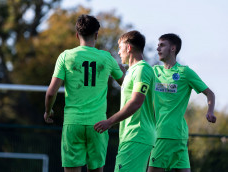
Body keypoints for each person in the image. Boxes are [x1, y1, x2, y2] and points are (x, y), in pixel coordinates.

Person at [44, 14, 124, 172]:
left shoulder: (66, 56)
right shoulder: (106, 58)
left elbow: (51, 93)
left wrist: (48, 111)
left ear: (76, 35)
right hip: (98, 124)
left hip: (73, 123)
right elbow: (125, 83)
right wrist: (120, 68)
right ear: (96, 34)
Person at [148, 33, 217, 172]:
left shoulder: (185, 72)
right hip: (169, 134)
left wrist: (210, 111)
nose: (158, 49)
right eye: (157, 45)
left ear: (173, 48)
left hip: (168, 134)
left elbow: (210, 93)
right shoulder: (154, 71)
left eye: (162, 45)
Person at [94, 30, 156, 172]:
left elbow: (136, 102)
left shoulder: (142, 70)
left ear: (129, 48)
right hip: (131, 135)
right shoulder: (132, 71)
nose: (118, 51)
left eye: (120, 47)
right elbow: (128, 86)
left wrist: (109, 122)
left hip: (137, 135)